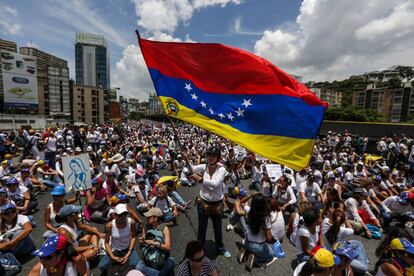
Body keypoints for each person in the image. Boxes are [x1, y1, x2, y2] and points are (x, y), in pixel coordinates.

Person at [188, 146, 231, 257]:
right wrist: (186, 158)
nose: (210, 157)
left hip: (217, 204)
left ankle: (220, 248)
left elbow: (216, 184)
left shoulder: (221, 169)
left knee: (218, 228)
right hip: (203, 203)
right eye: (209, 155)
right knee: (201, 228)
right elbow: (192, 169)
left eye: (213, 155)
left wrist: (201, 179)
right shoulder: (204, 166)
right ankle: (199, 250)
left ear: (217, 157)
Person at [98, 204, 140, 272]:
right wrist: (112, 256)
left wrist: (129, 253)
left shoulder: (132, 222)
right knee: (102, 266)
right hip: (115, 250)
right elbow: (107, 242)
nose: (123, 216)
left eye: (125, 213)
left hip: (128, 248)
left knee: (136, 265)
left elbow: (134, 237)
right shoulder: (110, 225)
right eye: (120, 214)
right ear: (115, 215)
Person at [239, 193, 275, 271]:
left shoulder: (249, 211)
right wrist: (273, 240)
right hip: (258, 246)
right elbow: (268, 238)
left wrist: (251, 195)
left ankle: (246, 252)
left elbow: (241, 202)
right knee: (271, 255)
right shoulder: (266, 218)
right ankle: (254, 258)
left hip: (247, 241)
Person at [136, 207, 175, 276]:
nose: (146, 219)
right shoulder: (147, 227)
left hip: (160, 257)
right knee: (138, 267)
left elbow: (167, 247)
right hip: (148, 256)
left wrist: (153, 242)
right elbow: (141, 246)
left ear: (155, 218)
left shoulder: (164, 228)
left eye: (149, 217)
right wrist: (142, 242)